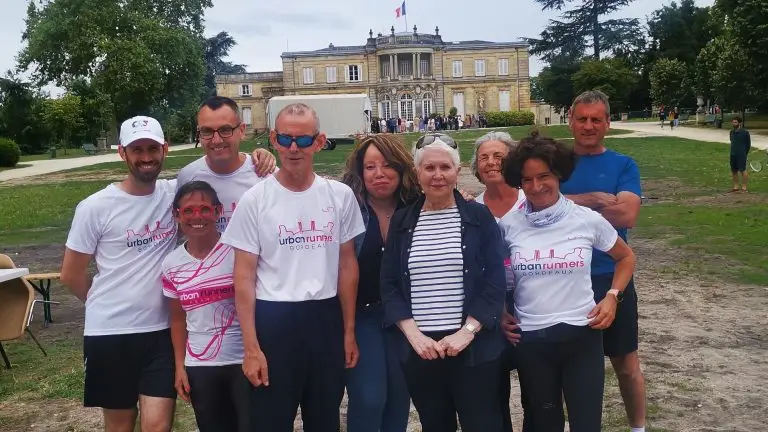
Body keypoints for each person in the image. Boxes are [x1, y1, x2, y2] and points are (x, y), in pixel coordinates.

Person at [221, 103, 365, 431]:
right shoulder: (255, 200)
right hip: (274, 320)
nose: (294, 148)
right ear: (273, 139)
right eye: (286, 139)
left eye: (303, 140)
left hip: (325, 319)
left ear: (319, 141)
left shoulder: (339, 196)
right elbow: (242, 277)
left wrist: (349, 331)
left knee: (324, 418)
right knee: (270, 420)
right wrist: (251, 347)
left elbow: (347, 266)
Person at [500, 133, 636, 431]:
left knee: (586, 424)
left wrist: (612, 296)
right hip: (532, 341)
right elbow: (492, 273)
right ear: (518, 182)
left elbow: (626, 258)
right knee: (545, 424)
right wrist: (500, 309)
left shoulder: (585, 219)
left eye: (544, 176)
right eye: (527, 180)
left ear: (559, 174)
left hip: (581, 337)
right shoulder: (508, 225)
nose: (536, 187)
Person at [380, 133, 507, 432]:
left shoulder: (478, 216)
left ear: (457, 171)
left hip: (472, 346)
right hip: (422, 349)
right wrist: (414, 336)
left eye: (445, 168)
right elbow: (389, 284)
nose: (437, 175)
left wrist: (468, 331)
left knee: (483, 423)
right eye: (429, 168)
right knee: (435, 424)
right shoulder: (402, 221)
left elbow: (494, 280)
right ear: (417, 173)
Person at [61, 116, 179, 432]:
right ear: (122, 153)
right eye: (136, 149)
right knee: (120, 424)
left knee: (157, 425)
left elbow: (219, 172)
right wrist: (106, 301)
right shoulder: (95, 207)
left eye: (152, 148)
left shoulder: (174, 195)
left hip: (160, 333)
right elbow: (70, 274)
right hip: (109, 334)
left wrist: (258, 158)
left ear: (165, 149)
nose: (146, 157)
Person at [560, 90, 646, 432]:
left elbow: (626, 214)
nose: (589, 126)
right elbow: (537, 206)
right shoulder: (557, 162)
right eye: (582, 118)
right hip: (564, 277)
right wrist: (594, 199)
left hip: (612, 275)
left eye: (596, 119)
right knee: (569, 363)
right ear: (571, 120)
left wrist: (567, 206)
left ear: (608, 123)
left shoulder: (623, 164)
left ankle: (638, 427)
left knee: (625, 362)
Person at [340, 134, 420, 432]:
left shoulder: (417, 208)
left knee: (399, 399)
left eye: (387, 165)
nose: (379, 174)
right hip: (362, 315)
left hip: (405, 318)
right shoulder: (348, 208)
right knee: (369, 397)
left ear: (400, 168)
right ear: (360, 173)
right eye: (370, 167)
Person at [161, 181, 248, 431]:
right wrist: (180, 366)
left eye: (204, 209)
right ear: (176, 215)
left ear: (218, 211)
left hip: (242, 361)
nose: (197, 217)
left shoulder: (237, 253)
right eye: (188, 211)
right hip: (201, 366)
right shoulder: (171, 264)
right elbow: (177, 319)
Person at [469, 131, 529, 432]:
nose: (491, 163)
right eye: (484, 157)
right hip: (491, 309)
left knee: (538, 392)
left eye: (499, 156)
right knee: (494, 394)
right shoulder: (471, 210)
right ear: (476, 167)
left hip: (532, 305)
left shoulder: (531, 202)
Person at [177, 96, 277, 232]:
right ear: (199, 133)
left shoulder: (266, 173)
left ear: (241, 130)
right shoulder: (187, 177)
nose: (216, 140)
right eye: (207, 131)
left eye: (225, 130)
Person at [729, 116, 751, 193]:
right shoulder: (731, 132)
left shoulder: (745, 132)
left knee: (742, 170)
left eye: (735, 122)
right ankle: (736, 186)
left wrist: (745, 153)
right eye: (733, 122)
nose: (733, 124)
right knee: (734, 170)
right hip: (733, 154)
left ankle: (744, 187)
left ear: (739, 123)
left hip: (741, 154)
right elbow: (732, 142)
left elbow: (748, 145)